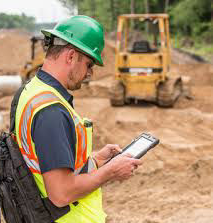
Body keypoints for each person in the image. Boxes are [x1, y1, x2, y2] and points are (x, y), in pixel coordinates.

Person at [13, 15, 142, 223]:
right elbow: (61, 193)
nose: (90, 73)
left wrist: (97, 160)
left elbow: (45, 159)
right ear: (71, 56)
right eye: (89, 64)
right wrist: (109, 172)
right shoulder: (51, 110)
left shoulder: (31, 91)